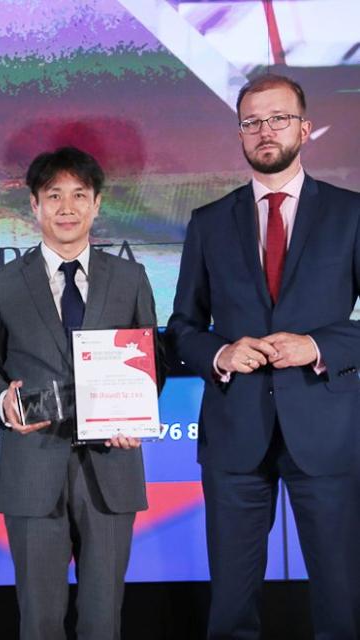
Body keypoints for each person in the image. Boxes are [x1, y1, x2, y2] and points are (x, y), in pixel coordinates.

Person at [167, 74, 359, 639]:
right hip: (235, 434)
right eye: (251, 122)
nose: (264, 131)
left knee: (343, 602)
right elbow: (182, 328)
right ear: (240, 134)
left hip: (327, 433)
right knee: (230, 606)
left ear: (305, 128)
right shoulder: (208, 222)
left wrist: (317, 345)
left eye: (278, 118)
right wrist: (222, 353)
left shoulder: (350, 214)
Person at [0, 146, 165, 640]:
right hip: (32, 466)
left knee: (103, 621)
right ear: (35, 205)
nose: (67, 207)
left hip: (111, 467)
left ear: (97, 204)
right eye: (54, 196)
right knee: (39, 621)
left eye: (79, 195)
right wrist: (3, 401)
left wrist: (134, 415)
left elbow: (151, 361)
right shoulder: (3, 284)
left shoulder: (130, 278)